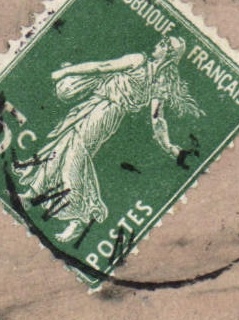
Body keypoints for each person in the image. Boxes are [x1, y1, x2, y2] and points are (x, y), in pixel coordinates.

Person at [15, 36, 203, 245]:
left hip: (105, 110)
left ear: (167, 52)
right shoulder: (160, 81)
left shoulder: (139, 60)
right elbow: (157, 118)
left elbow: (101, 67)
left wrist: (67, 71)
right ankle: (33, 194)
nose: (157, 43)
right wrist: (167, 145)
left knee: (74, 153)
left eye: (162, 43)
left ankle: (78, 214)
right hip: (101, 108)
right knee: (65, 146)